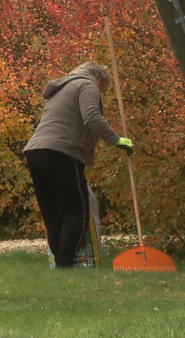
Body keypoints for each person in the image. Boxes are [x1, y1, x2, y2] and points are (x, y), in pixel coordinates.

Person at [24, 61, 133, 269]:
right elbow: (91, 117)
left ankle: (60, 266)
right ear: (100, 79)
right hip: (62, 152)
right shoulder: (87, 85)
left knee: (52, 214)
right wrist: (116, 140)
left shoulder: (61, 87)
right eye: (103, 90)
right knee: (76, 212)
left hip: (35, 152)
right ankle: (66, 264)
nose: (101, 93)